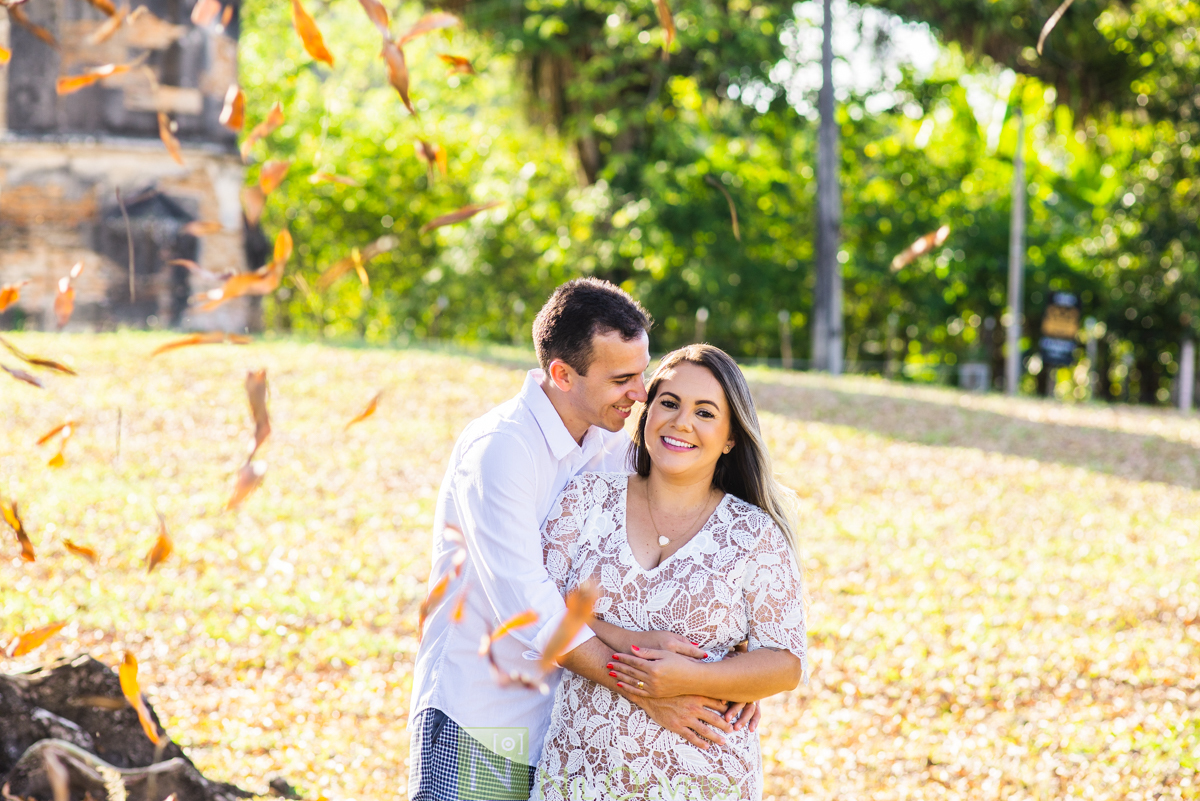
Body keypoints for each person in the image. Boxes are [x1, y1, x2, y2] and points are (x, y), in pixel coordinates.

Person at [409, 281, 755, 801]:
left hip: (571, 732)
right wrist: (646, 691)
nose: (640, 393)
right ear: (562, 374)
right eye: (622, 379)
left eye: (642, 372)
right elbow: (530, 606)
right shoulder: (501, 450)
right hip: (482, 722)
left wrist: (730, 669)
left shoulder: (614, 441)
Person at [535, 344, 808, 801]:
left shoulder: (754, 535)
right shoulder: (585, 500)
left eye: (705, 412)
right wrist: (628, 649)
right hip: (580, 773)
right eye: (669, 402)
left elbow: (784, 662)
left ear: (730, 437)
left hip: (705, 779)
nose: (681, 422)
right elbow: (535, 612)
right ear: (647, 413)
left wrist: (691, 679)